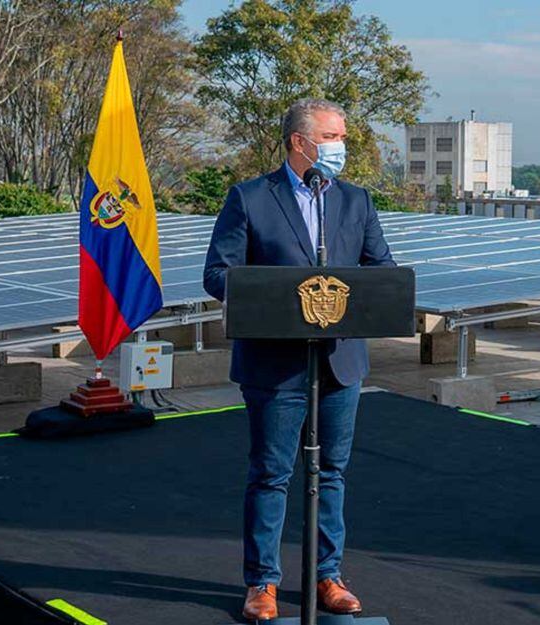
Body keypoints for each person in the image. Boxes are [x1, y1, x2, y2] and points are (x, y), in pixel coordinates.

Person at [203, 98, 395, 621]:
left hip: (339, 363)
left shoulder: (357, 201)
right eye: (333, 137)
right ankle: (262, 582)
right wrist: (281, 296)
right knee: (271, 474)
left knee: (330, 472)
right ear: (299, 142)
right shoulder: (249, 198)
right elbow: (219, 274)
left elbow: (382, 271)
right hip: (275, 365)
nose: (341, 147)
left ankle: (328, 575)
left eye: (343, 137)